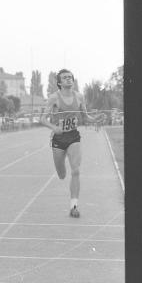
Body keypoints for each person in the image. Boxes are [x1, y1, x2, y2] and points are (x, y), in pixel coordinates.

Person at [41, 69, 104, 218]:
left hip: (73, 136)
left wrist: (96, 119)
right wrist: (54, 128)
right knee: (62, 174)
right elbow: (42, 119)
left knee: (75, 171)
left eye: (70, 77)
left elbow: (85, 117)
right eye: (65, 78)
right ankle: (61, 164)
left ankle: (74, 207)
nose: (69, 79)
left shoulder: (79, 97)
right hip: (58, 139)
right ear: (59, 82)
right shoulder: (53, 98)